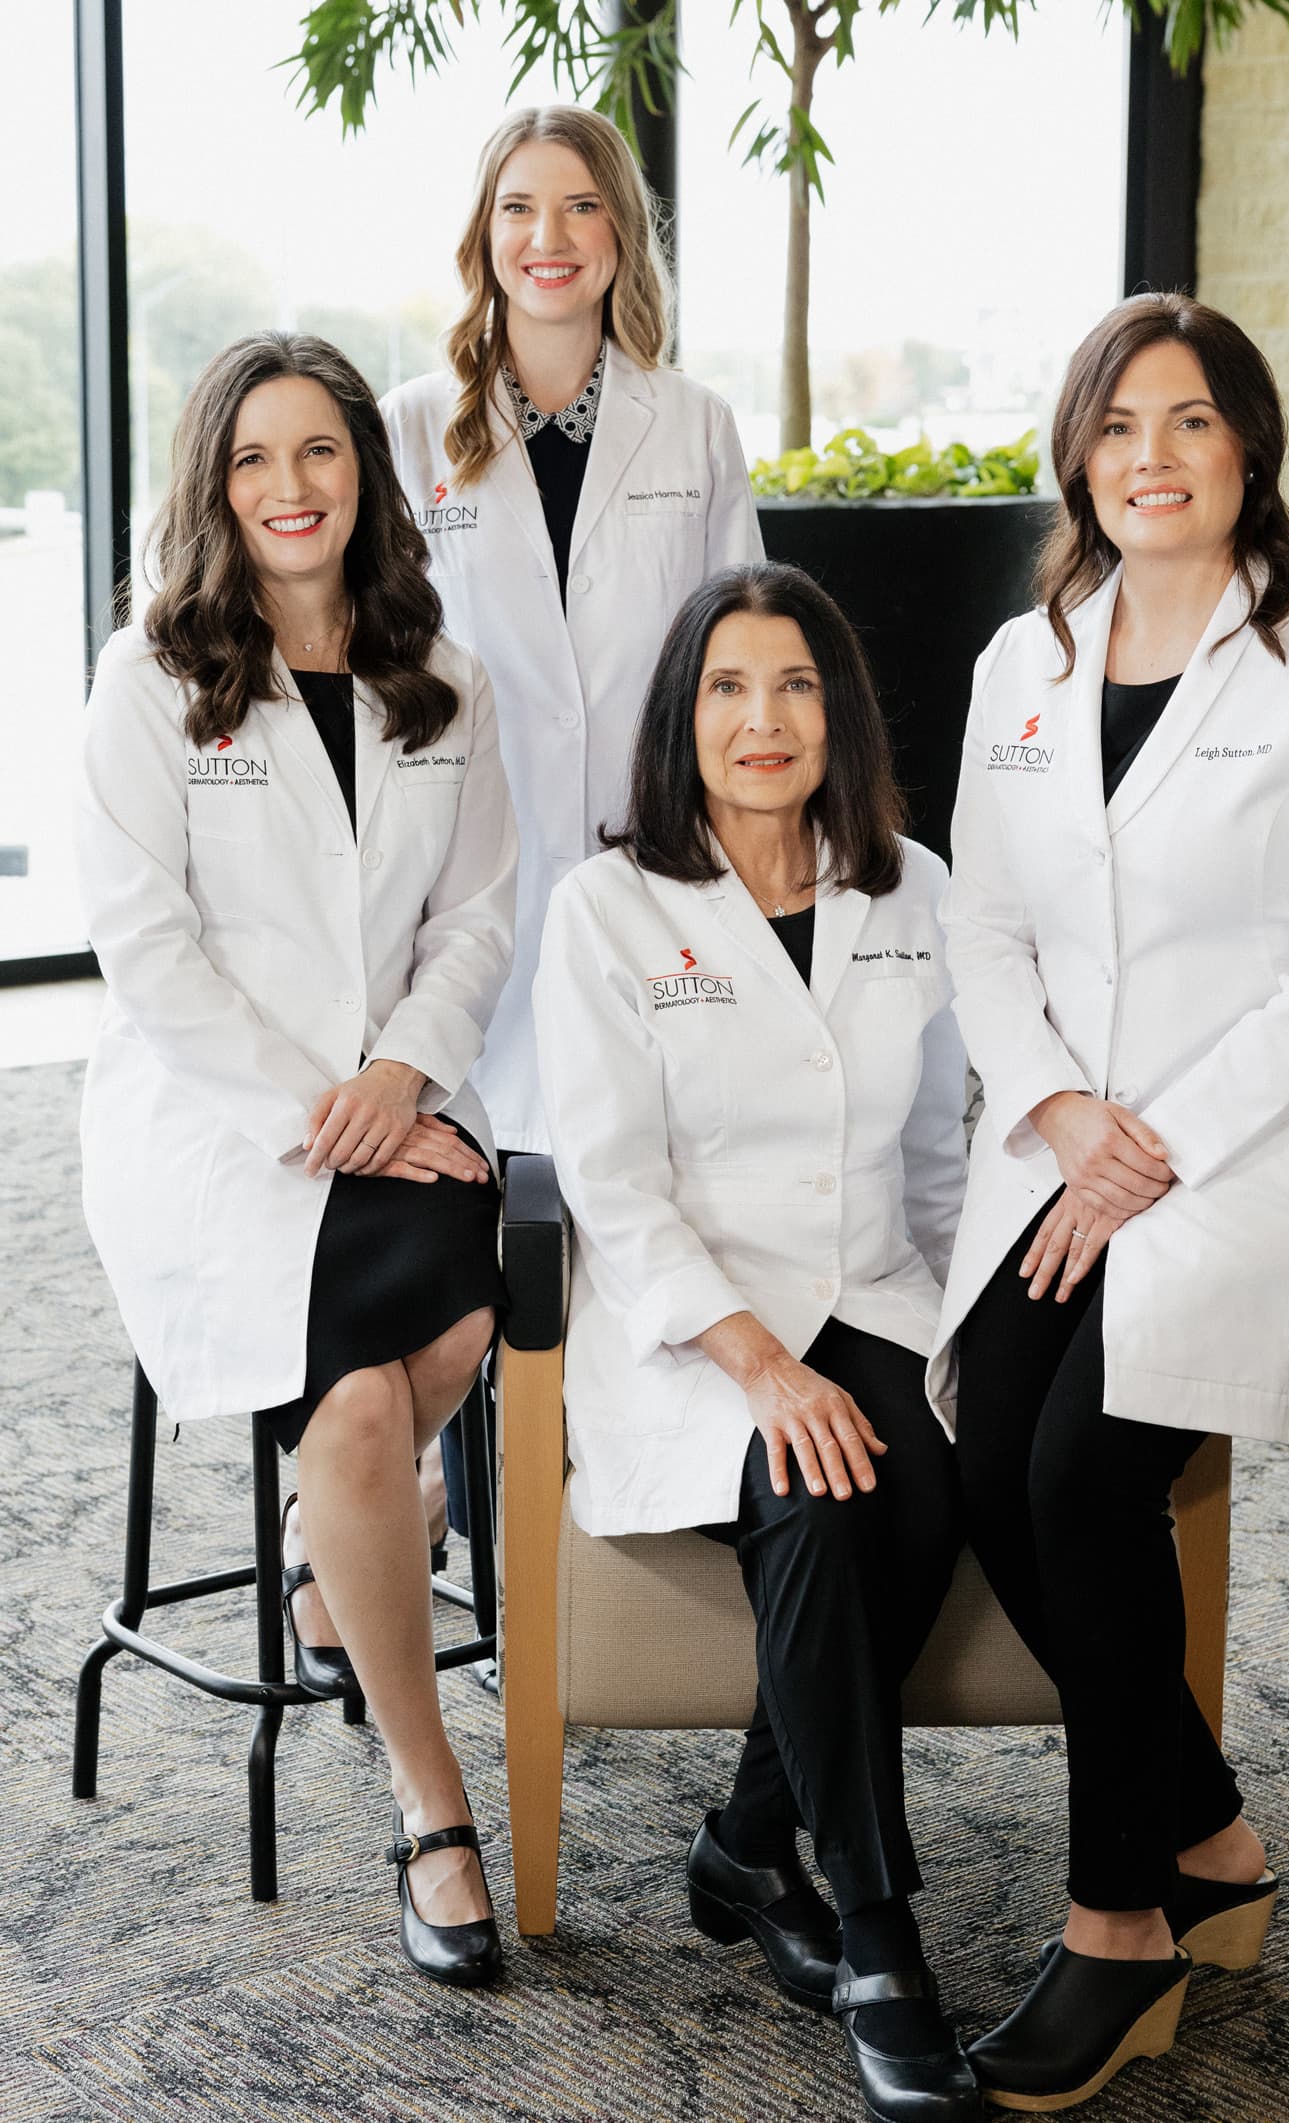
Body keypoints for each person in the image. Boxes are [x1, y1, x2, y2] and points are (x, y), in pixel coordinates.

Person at [929, 293, 1289, 2109]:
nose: (1154, 455)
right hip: (1069, 1146)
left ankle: (1118, 1927)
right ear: (1080, 453)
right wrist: (1065, 1109)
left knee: (1081, 1474)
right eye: (1121, 423)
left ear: (1248, 453)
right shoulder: (1023, 660)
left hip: (1245, 1156)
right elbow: (980, 921)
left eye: (1193, 422)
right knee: (990, 1448)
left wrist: (1159, 1142)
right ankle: (1207, 1820)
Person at [76, 331, 520, 1990]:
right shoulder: (151, 676)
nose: (290, 488)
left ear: (364, 475)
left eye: (320, 454)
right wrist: (322, 1106)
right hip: (214, 1127)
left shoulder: (442, 679)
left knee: (484, 1287)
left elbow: (478, 917)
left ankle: (351, 1546)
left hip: (394, 1110)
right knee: (348, 1393)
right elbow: (147, 952)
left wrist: (403, 1074)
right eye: (255, 459)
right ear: (215, 482)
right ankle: (432, 1805)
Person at [534, 562, 982, 2123]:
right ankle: (878, 1935)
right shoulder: (608, 910)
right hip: (695, 1323)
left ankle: (744, 1837)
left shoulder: (911, 890)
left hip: (869, 1288)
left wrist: (952, 1329)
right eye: (728, 687)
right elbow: (611, 1181)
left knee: (924, 1481)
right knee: (814, 1492)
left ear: (837, 712)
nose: (763, 717)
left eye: (794, 685)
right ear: (684, 721)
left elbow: (939, 1148)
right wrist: (757, 1364)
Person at [382, 102, 763, 1580]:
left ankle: (586, 1508)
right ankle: (440, 1485)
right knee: (478, 1189)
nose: (550, 241)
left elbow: (735, 655)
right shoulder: (412, 426)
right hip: (462, 877)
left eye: (581, 209)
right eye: (520, 211)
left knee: (622, 1173)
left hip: (647, 865)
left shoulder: (696, 423)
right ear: (484, 236)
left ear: (623, 237)